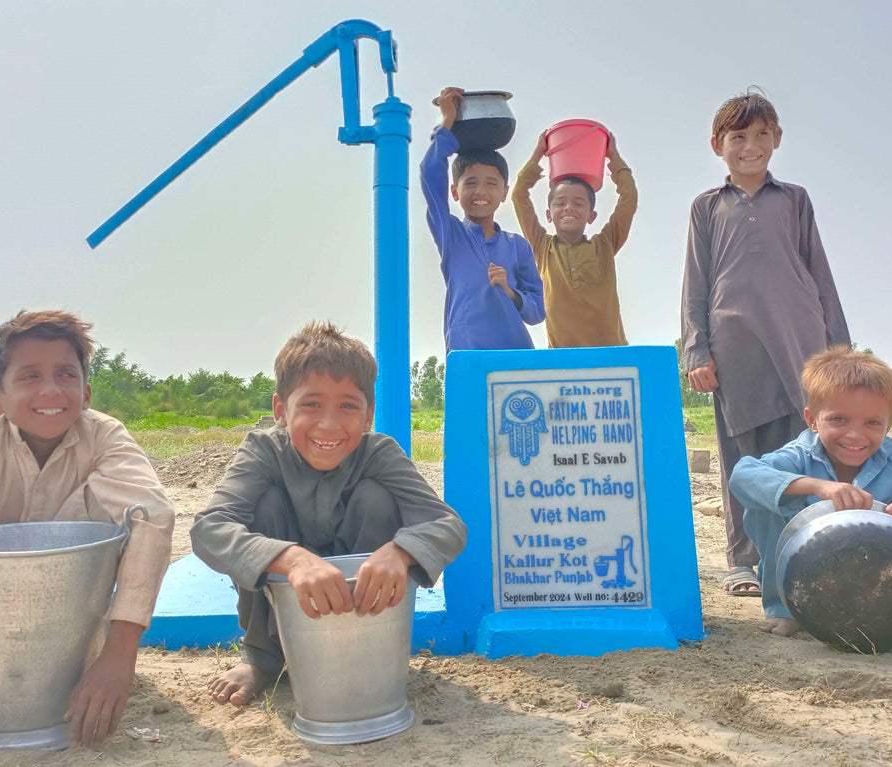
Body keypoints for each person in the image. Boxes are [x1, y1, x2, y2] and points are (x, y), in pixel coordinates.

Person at [0, 310, 174, 753]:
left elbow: (154, 515)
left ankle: (92, 664)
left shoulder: (104, 437)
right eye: (29, 376)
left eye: (66, 375)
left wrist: (120, 657)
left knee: (128, 502)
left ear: (86, 390)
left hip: (72, 628)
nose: (50, 391)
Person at [191, 321, 467, 707]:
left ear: (368, 415)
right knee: (263, 506)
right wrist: (290, 558)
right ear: (280, 410)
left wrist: (400, 551)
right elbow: (209, 528)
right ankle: (263, 659)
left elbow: (446, 524)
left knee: (377, 499)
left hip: (360, 611)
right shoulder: (262, 451)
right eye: (311, 404)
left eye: (348, 406)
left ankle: (366, 645)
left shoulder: (379, 453)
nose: (329, 424)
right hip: (284, 598)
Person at [680, 89, 850, 597]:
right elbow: (695, 281)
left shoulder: (795, 199)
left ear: (776, 139)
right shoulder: (706, 207)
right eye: (738, 137)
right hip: (733, 348)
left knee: (799, 456)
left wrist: (839, 351)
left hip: (799, 343)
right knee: (741, 457)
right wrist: (696, 349)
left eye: (760, 135)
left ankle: (794, 554)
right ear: (718, 144)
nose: (750, 146)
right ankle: (741, 560)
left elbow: (819, 274)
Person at [729, 347, 892, 636]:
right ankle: (786, 610)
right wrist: (817, 486)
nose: (854, 435)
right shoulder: (799, 455)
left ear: (888, 425)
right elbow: (743, 475)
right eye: (839, 419)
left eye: (872, 423)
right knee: (765, 501)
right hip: (803, 574)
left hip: (876, 579)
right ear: (812, 419)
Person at [420, 86, 545, 353]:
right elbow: (429, 172)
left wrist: (510, 292)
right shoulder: (451, 234)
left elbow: (537, 312)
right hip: (467, 356)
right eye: (471, 183)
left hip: (516, 357)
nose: (480, 192)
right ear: (455, 191)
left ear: (504, 192)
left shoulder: (517, 246)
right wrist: (448, 122)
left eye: (491, 183)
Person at [511, 129, 637, 348]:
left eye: (579, 203)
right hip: (562, 360)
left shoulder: (605, 244)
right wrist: (539, 153)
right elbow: (519, 195)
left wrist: (613, 157)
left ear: (591, 215)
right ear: (549, 215)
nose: (569, 208)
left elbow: (629, 198)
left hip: (611, 354)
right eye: (560, 203)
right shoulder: (543, 247)